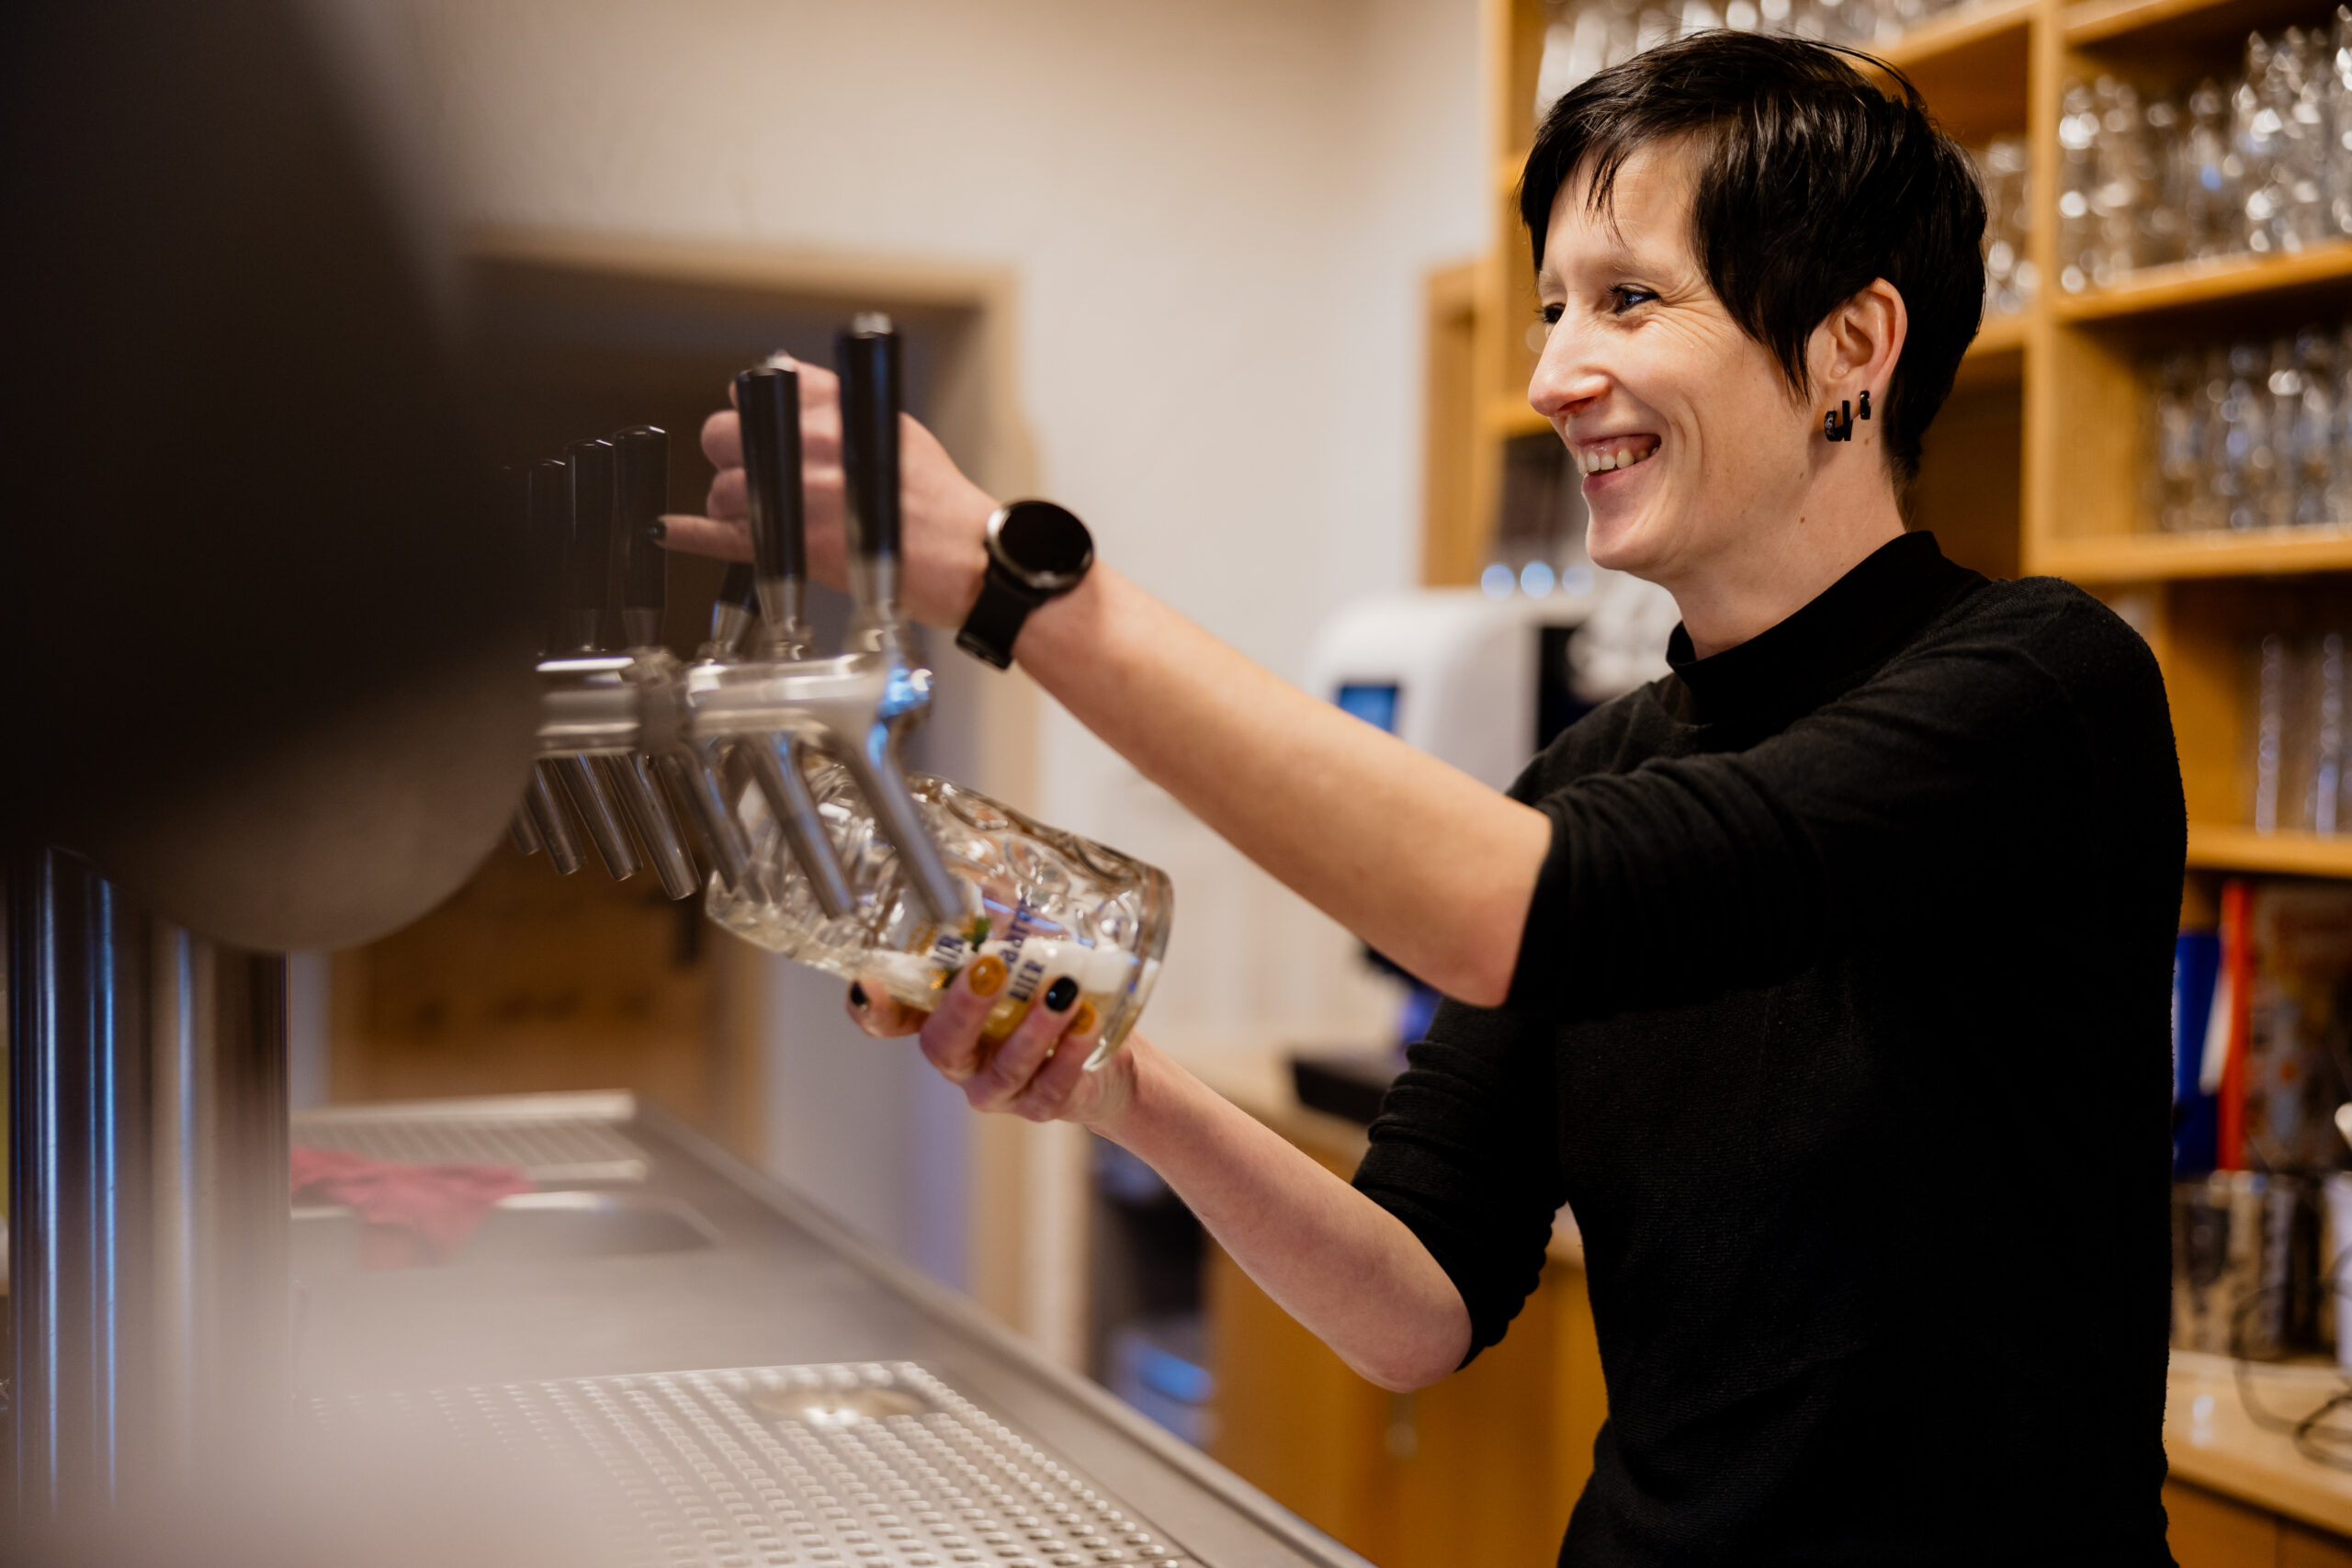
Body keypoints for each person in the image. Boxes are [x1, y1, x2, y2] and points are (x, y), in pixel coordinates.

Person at [665, 32, 2185, 1565]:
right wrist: (1118, 1084)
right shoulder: (1594, 771)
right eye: (1551, 308)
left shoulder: (2041, 689)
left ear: (1854, 343)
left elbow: (1530, 905)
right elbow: (1417, 1303)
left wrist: (1019, 586)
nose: (1552, 378)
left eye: (1628, 299)